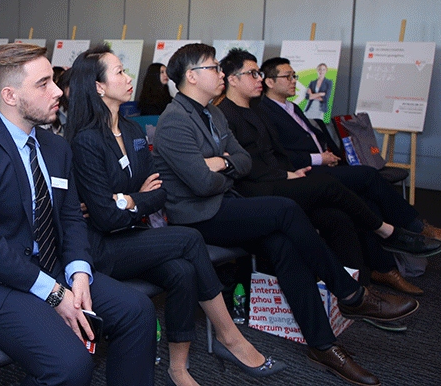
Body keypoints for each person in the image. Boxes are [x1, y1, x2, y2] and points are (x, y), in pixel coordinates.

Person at [153, 43, 419, 386]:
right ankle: (350, 294)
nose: (221, 73)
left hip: (225, 204)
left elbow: (243, 162)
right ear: (191, 76)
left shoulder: (213, 114)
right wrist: (225, 167)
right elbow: (202, 184)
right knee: (286, 209)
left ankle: (323, 345)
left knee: (284, 245)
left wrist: (221, 163)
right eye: (214, 68)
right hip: (199, 217)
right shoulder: (174, 120)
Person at [0, 43, 157, 386]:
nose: (58, 91)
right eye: (43, 84)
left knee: (137, 311)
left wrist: (79, 273)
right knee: (70, 365)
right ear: (10, 95)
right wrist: (54, 292)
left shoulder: (55, 147)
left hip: (47, 269)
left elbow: (70, 218)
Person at [67, 45, 283, 386]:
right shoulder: (86, 141)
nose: (129, 77)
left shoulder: (133, 131)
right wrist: (135, 199)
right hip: (100, 246)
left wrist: (127, 200)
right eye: (120, 72)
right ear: (98, 87)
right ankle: (230, 337)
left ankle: (178, 369)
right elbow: (105, 218)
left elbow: (160, 192)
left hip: (131, 235)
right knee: (190, 239)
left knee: (183, 270)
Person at [217, 49, 438, 294]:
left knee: (338, 217)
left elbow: (276, 154)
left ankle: (360, 289)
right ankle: (389, 233)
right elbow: (245, 163)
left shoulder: (256, 109)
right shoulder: (223, 115)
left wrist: (293, 171)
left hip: (282, 177)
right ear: (232, 79)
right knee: (332, 185)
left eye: (259, 73)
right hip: (256, 188)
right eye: (252, 74)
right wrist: (288, 174)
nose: (259, 79)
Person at [259, 57, 441, 242]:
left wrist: (330, 155)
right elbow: (279, 155)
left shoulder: (292, 107)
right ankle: (417, 227)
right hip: (305, 171)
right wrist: (320, 158)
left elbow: (310, 137)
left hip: (327, 164)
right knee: (368, 176)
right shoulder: (264, 112)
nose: (294, 81)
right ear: (270, 82)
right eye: (288, 77)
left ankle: (390, 252)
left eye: (294, 76)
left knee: (366, 201)